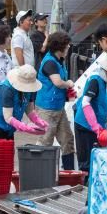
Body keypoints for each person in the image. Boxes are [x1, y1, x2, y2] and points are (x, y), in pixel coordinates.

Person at [35, 31, 77, 169]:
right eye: (67, 45)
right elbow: (58, 82)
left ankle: (69, 171)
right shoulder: (50, 62)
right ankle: (39, 172)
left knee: (67, 139)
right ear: (60, 46)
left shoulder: (59, 60)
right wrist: (68, 83)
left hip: (58, 107)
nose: (69, 47)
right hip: (47, 108)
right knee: (45, 140)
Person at [73, 54, 107, 173]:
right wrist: (95, 127)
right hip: (85, 125)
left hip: (98, 126)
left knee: (95, 160)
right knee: (86, 162)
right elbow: (85, 103)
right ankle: (85, 182)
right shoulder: (95, 80)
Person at [0, 65, 49, 140]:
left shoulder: (31, 89)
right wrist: (24, 127)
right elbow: (8, 117)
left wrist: (38, 121)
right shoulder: (6, 90)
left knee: (9, 147)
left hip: (10, 128)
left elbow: (29, 109)